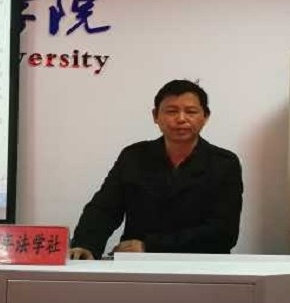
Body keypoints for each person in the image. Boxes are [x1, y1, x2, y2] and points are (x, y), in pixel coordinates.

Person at [69, 79, 243, 260]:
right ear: (155, 116)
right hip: (137, 264)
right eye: (171, 111)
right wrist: (86, 244)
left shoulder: (224, 163)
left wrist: (150, 246)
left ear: (205, 116)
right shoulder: (133, 156)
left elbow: (224, 231)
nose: (181, 119)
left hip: (202, 264)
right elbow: (104, 209)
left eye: (191, 111)